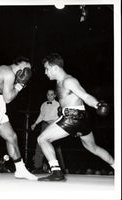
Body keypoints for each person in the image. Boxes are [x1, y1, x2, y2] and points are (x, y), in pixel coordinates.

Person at [37, 53, 114, 181]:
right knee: (92, 147)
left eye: (47, 68)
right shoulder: (60, 82)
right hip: (80, 118)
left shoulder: (68, 81)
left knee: (42, 139)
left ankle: (56, 172)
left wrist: (97, 104)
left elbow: (85, 96)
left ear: (54, 67)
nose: (45, 72)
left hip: (73, 117)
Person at [31, 89, 65, 173]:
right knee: (40, 144)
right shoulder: (43, 105)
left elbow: (62, 116)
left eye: (52, 94)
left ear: (55, 95)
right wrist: (35, 123)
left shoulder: (59, 104)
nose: (50, 96)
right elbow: (41, 115)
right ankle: (37, 167)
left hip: (54, 126)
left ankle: (60, 168)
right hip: (44, 125)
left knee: (56, 146)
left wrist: (54, 122)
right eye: (48, 94)